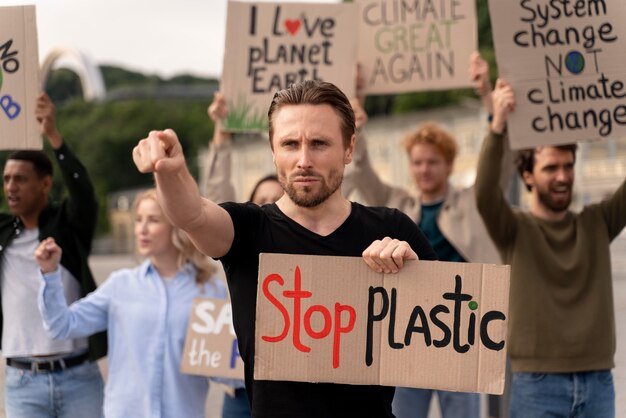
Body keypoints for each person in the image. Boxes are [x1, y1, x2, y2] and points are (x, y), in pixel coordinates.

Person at [132, 80, 437, 418]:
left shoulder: (392, 229)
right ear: (273, 149)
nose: (303, 160)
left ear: (349, 148)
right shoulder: (246, 230)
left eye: (319, 144)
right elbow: (193, 214)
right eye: (291, 144)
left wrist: (413, 273)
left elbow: (450, 338)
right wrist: (170, 173)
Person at [344, 53, 507, 418]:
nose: (424, 169)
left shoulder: (473, 203)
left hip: (460, 331)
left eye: (433, 161)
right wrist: (357, 109)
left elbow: (497, 166)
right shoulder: (396, 203)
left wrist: (487, 98)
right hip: (411, 331)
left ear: (449, 164)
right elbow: (361, 169)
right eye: (417, 162)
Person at [474, 79, 626, 418]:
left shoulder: (598, 222)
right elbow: (484, 193)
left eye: (568, 166)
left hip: (598, 380)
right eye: (550, 168)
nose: (562, 176)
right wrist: (498, 125)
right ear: (527, 175)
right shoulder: (514, 228)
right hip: (536, 385)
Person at [34, 188, 227, 418]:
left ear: (177, 226)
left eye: (153, 220)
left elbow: (227, 370)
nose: (141, 229)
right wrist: (49, 273)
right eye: (138, 220)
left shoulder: (210, 289)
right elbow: (60, 325)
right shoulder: (120, 285)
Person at [0, 92, 105, 418]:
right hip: (22, 380)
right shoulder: (2, 233)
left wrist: (54, 137)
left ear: (45, 184)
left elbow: (84, 194)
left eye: (20, 179)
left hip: (78, 377)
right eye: (6, 179)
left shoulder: (69, 225)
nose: (10, 187)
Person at [202, 92, 284, 206]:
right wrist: (222, 126)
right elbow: (218, 197)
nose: (268, 205)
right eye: (261, 201)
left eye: (277, 201)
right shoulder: (241, 223)